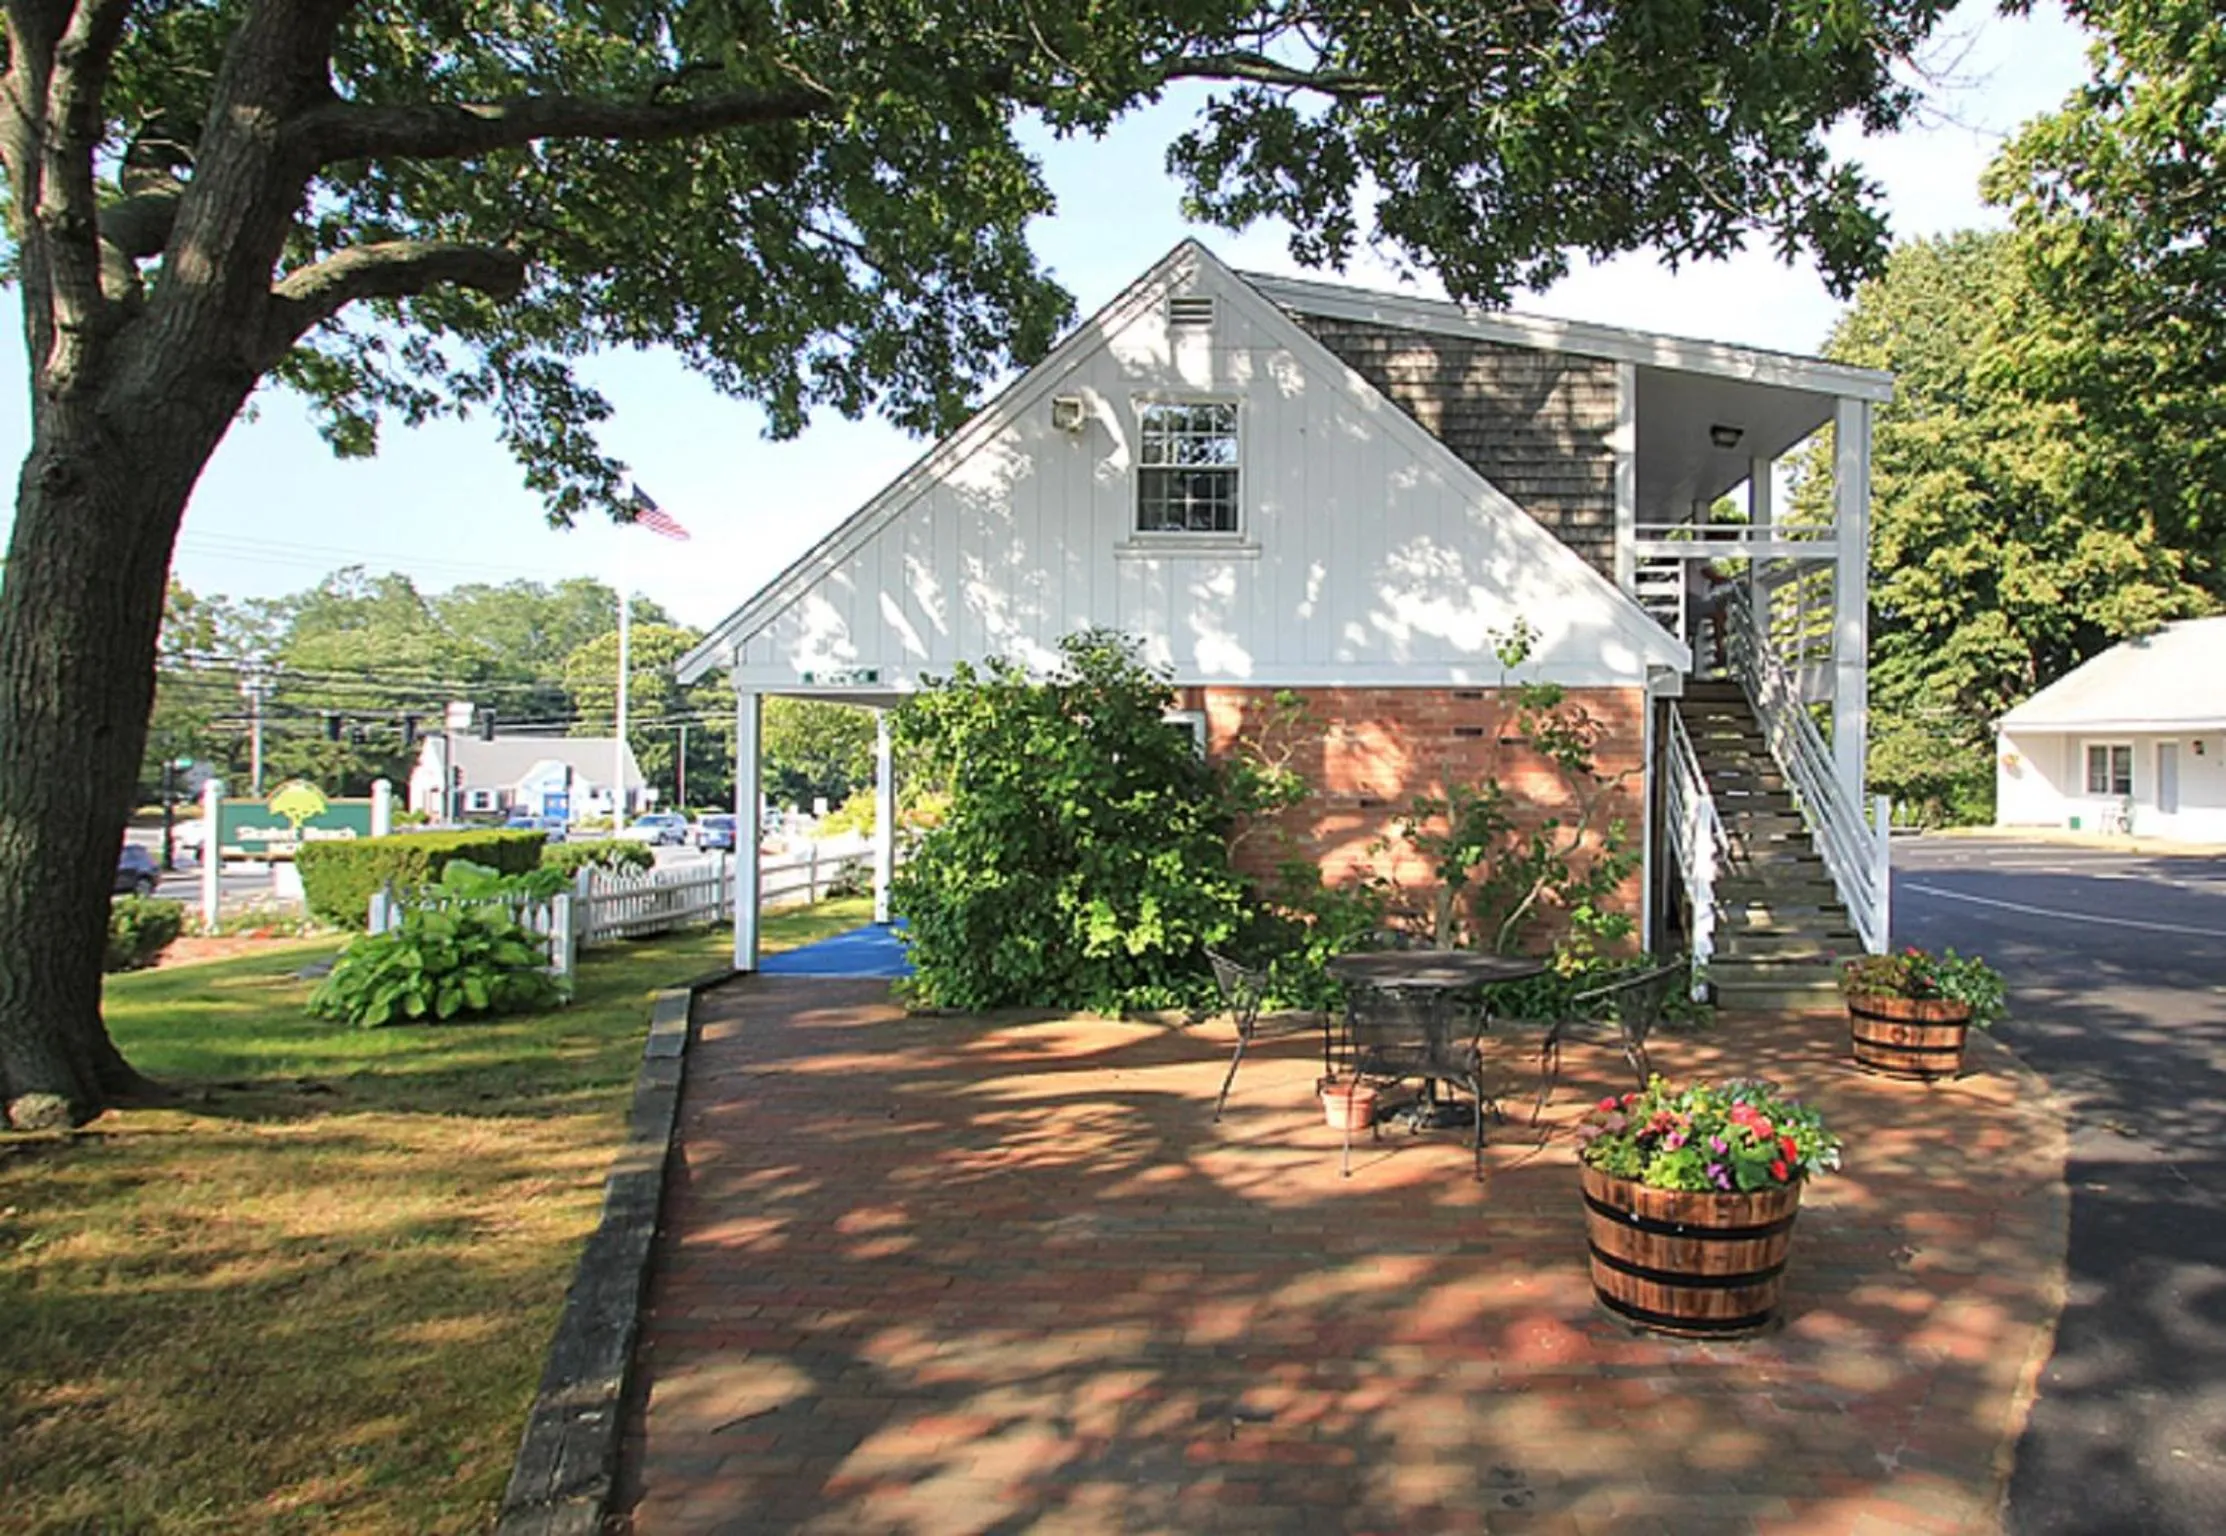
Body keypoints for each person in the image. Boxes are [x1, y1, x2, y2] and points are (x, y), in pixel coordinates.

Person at [1683, 559, 1733, 671]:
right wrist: (1730, 581)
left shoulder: (1695, 559)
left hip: (1691, 599)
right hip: (1692, 600)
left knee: (1719, 614)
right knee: (1719, 614)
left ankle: (1720, 648)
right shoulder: (1699, 558)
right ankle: (1720, 650)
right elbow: (1712, 576)